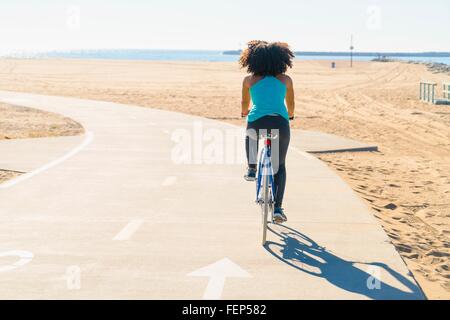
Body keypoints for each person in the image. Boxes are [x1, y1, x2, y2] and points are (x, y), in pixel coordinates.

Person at [240, 40, 295, 223]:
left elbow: (244, 104)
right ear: (282, 60)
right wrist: (291, 115)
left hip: (257, 121)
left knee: (252, 133)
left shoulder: (249, 80)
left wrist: (244, 112)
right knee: (280, 166)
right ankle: (278, 208)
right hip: (279, 122)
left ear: (252, 60)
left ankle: (251, 167)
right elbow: (291, 105)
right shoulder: (286, 80)